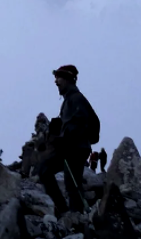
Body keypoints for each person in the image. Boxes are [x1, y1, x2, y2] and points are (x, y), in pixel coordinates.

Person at [37, 64, 101, 217]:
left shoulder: (76, 99)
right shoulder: (69, 100)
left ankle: (76, 217)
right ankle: (67, 212)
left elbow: (79, 124)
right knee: (45, 170)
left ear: (67, 79)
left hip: (76, 148)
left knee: (72, 184)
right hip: (70, 147)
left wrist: (62, 138)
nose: (56, 82)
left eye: (58, 77)